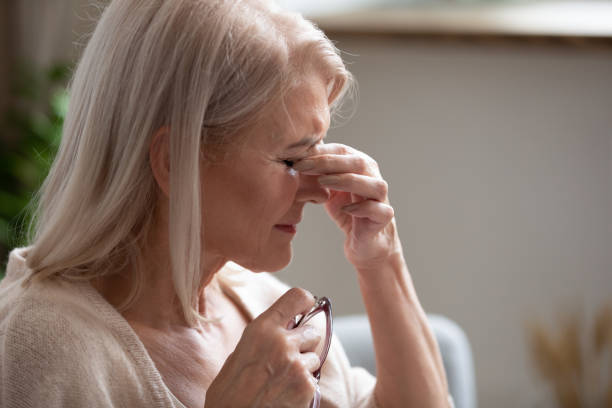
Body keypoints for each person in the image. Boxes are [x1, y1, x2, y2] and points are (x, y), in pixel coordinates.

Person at [0, 0, 452, 407]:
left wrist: (381, 259)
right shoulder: (42, 348)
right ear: (174, 161)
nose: (318, 191)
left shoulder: (254, 301)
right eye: (293, 159)